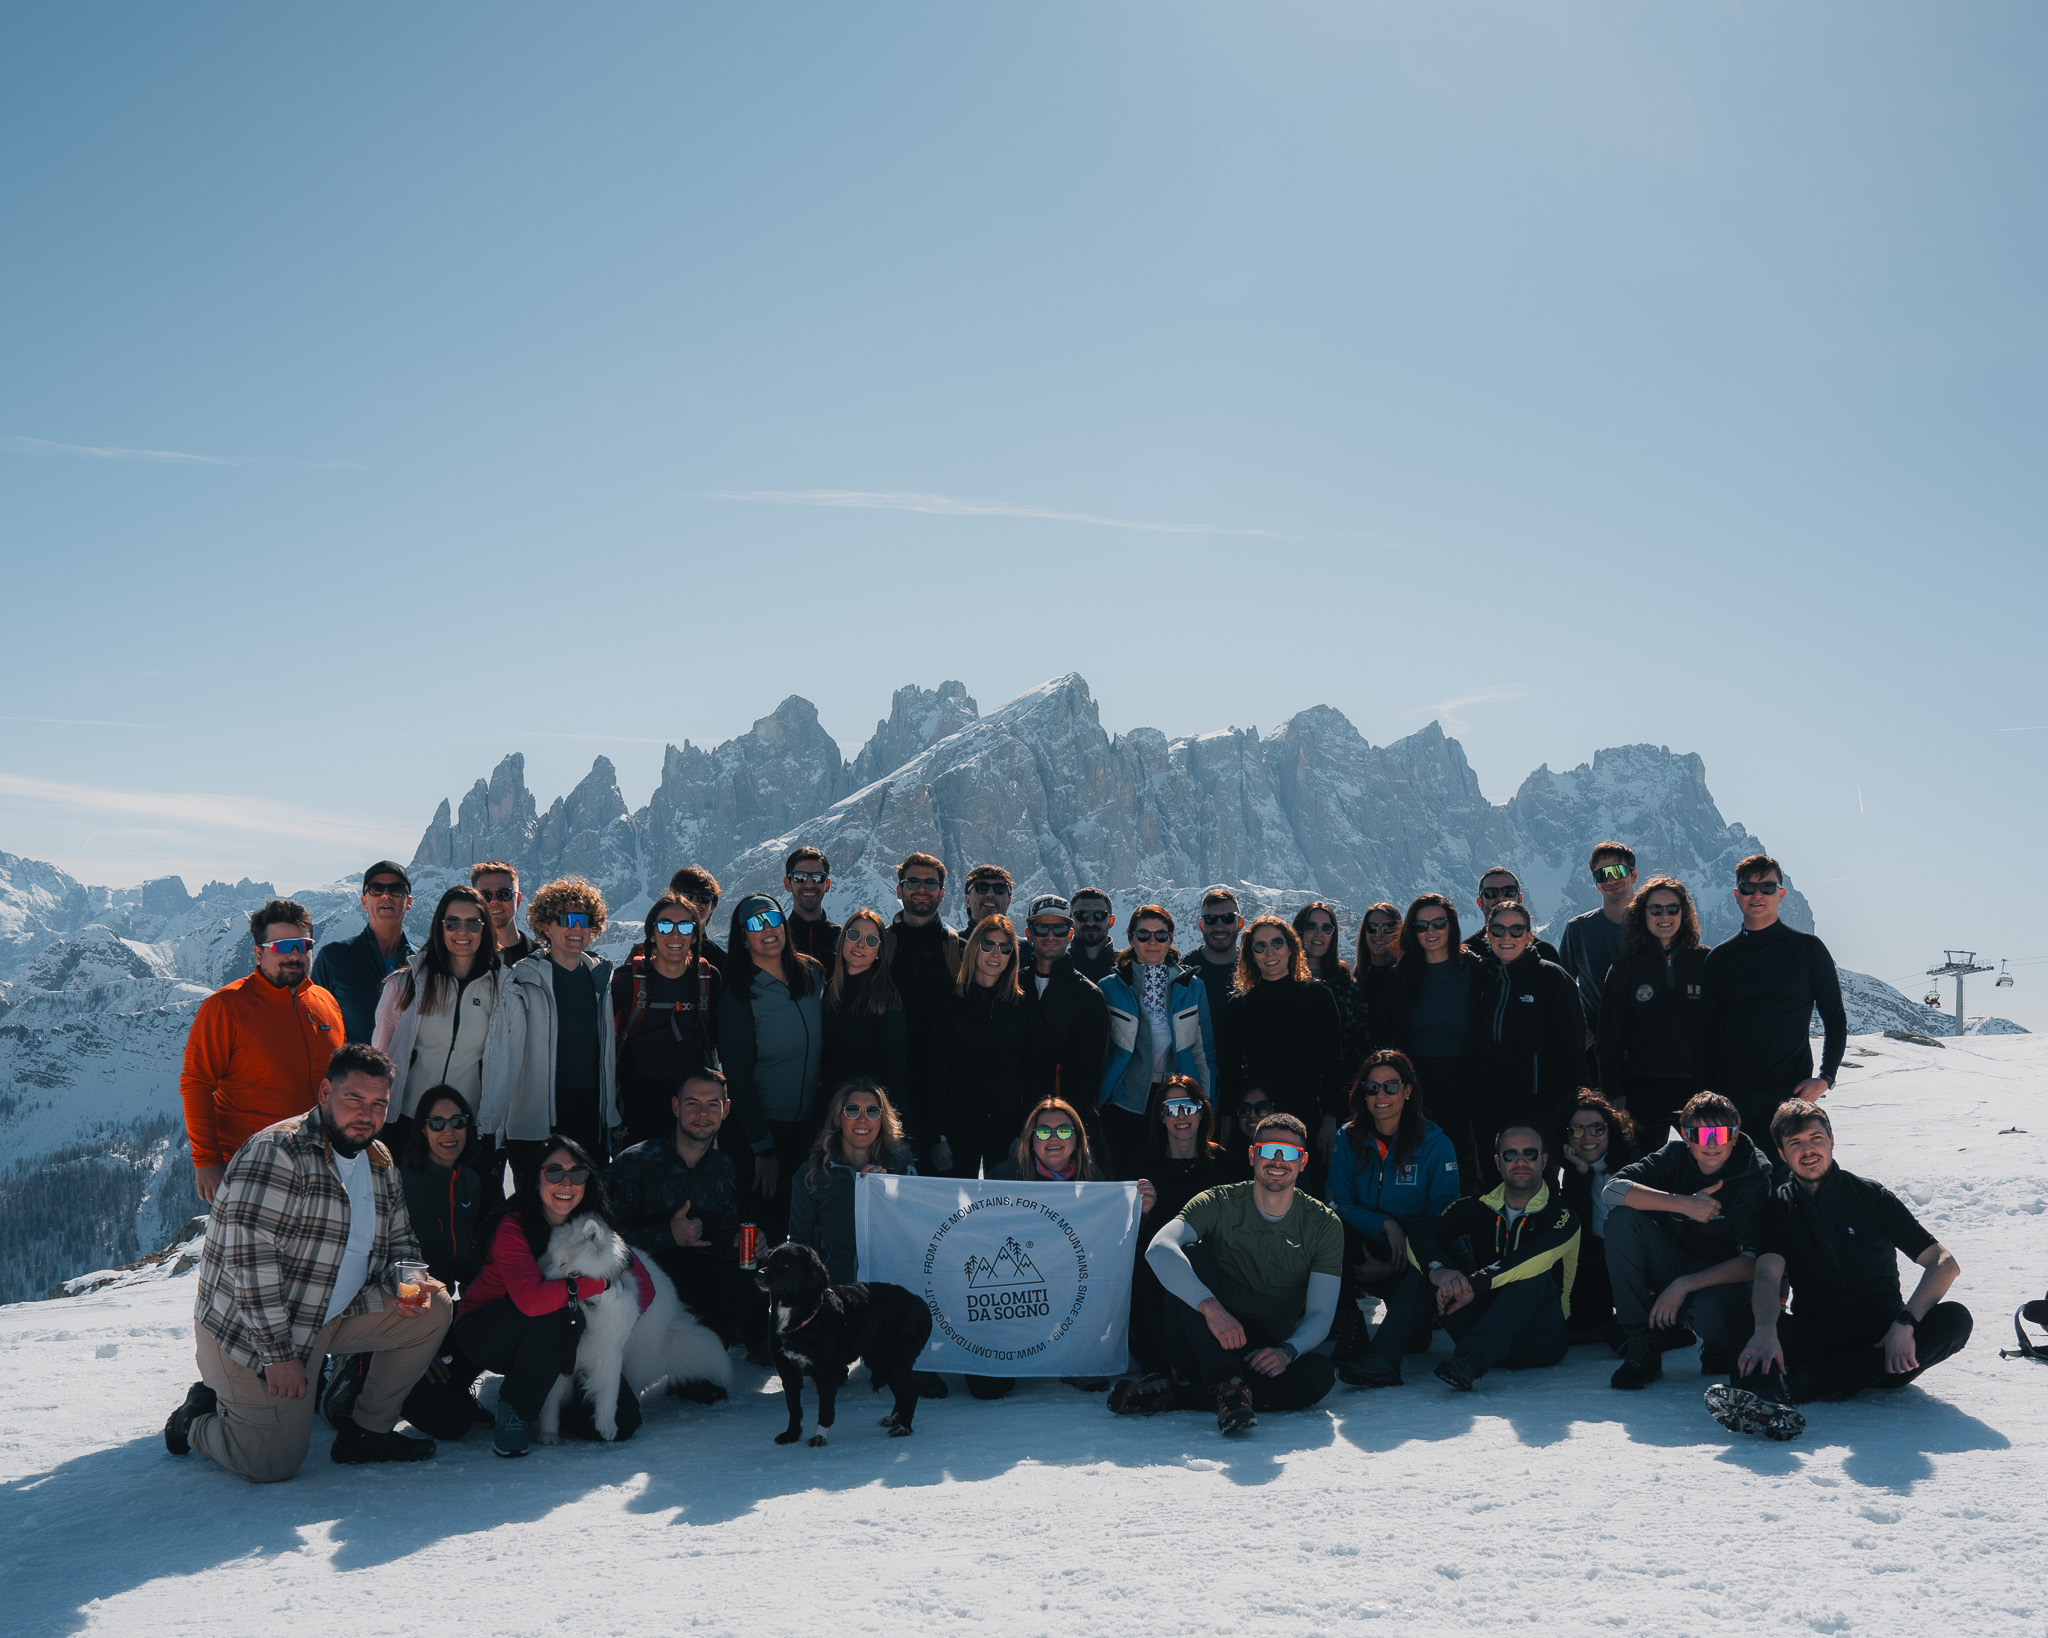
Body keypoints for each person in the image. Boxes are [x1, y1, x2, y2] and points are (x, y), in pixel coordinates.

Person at [163, 1044, 449, 1479]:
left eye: (379, 1104)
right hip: (253, 1334)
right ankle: (197, 1420)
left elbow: (401, 1239)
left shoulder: (378, 1159)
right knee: (272, 1461)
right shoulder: (279, 1152)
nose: (366, 1114)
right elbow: (250, 1265)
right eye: (354, 1098)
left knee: (434, 1308)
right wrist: (278, 1356)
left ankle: (367, 1433)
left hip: (331, 1314)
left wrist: (408, 1283)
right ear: (324, 1092)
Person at [1711, 1101, 1972, 1439]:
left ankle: (1798, 1385)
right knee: (1742, 1316)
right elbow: (1767, 1274)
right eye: (1795, 1144)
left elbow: (1943, 1263)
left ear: (1832, 1140)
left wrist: (1904, 1323)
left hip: (1884, 1346)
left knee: (1955, 1319)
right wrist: (1765, 1330)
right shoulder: (1780, 1207)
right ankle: (1766, 1401)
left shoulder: (1870, 1196)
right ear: (1781, 1153)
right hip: (1817, 1335)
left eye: (1815, 1138)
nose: (1808, 1150)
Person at [1132, 1113, 1342, 1431]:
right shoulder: (1217, 1201)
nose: (1279, 1161)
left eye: (1290, 1153)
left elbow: (1321, 1313)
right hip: (1201, 1337)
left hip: (1260, 1348)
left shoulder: (1324, 1224)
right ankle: (1227, 1385)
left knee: (1319, 1374)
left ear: (1304, 1161)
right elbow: (1158, 1248)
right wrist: (1211, 1308)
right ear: (1252, 1154)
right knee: (1192, 1253)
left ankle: (1184, 1397)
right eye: (1269, 1150)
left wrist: (1286, 1352)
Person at [1341, 1124, 1579, 1392]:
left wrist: (1473, 1284)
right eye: (1511, 1154)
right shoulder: (1478, 1206)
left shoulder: (1562, 1215)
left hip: (1540, 1342)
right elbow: (1421, 1234)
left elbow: (1532, 1258)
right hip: (1477, 1330)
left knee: (1535, 1276)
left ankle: (1469, 1360)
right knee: (1431, 1265)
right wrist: (1437, 1270)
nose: (1520, 1161)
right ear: (1498, 1163)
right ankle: (1382, 1359)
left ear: (1544, 1160)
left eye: (1530, 1154)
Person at [455, 1136, 649, 1457]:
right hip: (487, 1330)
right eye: (554, 1172)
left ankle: (545, 1394)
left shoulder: (590, 1224)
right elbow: (531, 1301)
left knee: (623, 1422)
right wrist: (597, 1285)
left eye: (577, 1174)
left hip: (558, 1343)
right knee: (554, 1311)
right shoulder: (512, 1227)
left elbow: (636, 1278)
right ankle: (516, 1407)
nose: (566, 1183)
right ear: (534, 1178)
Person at [179, 899, 347, 1205]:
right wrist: (206, 1161)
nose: (294, 954)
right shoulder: (226, 1006)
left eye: (302, 944)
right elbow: (196, 1083)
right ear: (258, 952)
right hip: (253, 1166)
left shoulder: (326, 1002)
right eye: (281, 946)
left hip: (323, 1163)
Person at [1602, 1091, 1772, 1388]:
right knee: (1622, 1221)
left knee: (1708, 1312)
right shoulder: (1673, 1156)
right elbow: (1612, 1191)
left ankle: (1719, 1343)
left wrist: (1684, 1284)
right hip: (1677, 1259)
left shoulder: (1752, 1175)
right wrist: (1683, 1204)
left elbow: (1752, 1261)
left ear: (1735, 1135)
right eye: (1700, 1134)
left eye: (1720, 1133)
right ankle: (1642, 1343)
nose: (1710, 1143)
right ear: (1686, 1136)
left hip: (1725, 1279)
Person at [479, 877, 620, 1187]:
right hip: (536, 1119)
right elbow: (502, 1053)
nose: (576, 928)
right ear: (546, 926)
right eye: (566, 919)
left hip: (590, 1115)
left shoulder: (601, 981)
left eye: (584, 920)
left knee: (586, 1212)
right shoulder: (521, 980)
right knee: (535, 1213)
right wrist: (495, 1126)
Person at [1326, 1051, 1460, 1370]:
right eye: (1371, 1088)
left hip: (1418, 1255)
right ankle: (1351, 1325)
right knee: (1327, 1226)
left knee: (1417, 1344)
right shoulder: (1347, 1138)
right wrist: (1383, 1223)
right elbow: (1336, 1202)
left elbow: (1444, 1219)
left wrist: (1395, 1264)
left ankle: (1412, 1318)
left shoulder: (1436, 1143)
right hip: (1368, 1243)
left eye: (1391, 1086)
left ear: (1408, 1090)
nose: (1380, 1095)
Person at [1701, 855, 1847, 1142]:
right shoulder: (1718, 958)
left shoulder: (1808, 950)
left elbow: (1835, 1017)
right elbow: (1704, 1033)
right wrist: (1705, 1096)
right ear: (1736, 895)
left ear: (1781, 894)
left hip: (1789, 1097)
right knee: (1731, 1184)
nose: (1757, 895)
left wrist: (1826, 1077)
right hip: (1729, 1100)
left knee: (1785, 1182)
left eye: (1767, 888)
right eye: (1748, 888)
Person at [607, 1068, 751, 1346]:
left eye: (712, 1105)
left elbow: (724, 1236)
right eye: (692, 1103)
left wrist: (740, 1244)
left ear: (725, 1110)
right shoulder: (636, 1162)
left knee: (748, 1272)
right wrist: (668, 1234)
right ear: (675, 1106)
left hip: (698, 1284)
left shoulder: (724, 1167)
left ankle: (703, 1362)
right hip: (642, 1283)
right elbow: (605, 1240)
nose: (702, 1113)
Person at [717, 893, 825, 1244]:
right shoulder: (739, 994)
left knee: (800, 1225)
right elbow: (738, 1074)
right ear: (742, 936)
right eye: (754, 923)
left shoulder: (810, 972)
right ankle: (748, 1296)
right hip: (760, 1132)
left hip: (806, 1128)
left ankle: (791, 1299)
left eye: (773, 919)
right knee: (758, 1228)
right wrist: (762, 1148)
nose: (767, 929)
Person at [1464, 901, 1587, 1187]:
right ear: (1487, 933)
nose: (1507, 937)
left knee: (1538, 1186)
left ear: (1529, 936)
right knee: (1492, 1186)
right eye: (1499, 929)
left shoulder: (1552, 978)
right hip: (1486, 1111)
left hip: (1539, 1112)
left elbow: (1572, 1052)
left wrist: (1569, 1110)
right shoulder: (1481, 978)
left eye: (1517, 929)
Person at [372, 884, 501, 1153]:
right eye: (452, 922)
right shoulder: (406, 984)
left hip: (464, 1126)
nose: (462, 932)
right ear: (440, 927)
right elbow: (379, 1055)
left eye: (472, 924)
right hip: (408, 1122)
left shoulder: (500, 991)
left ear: (484, 928)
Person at [394, 1087, 491, 1440]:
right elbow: (401, 1265)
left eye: (458, 1122)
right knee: (451, 1424)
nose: (449, 1132)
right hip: (401, 1322)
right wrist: (416, 1345)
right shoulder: (405, 1182)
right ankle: (361, 1376)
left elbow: (458, 1255)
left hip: (440, 1315)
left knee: (503, 1312)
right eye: (437, 1123)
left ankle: (454, 1386)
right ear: (422, 1129)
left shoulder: (469, 1182)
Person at [1121, 1078, 1229, 1380]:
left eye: (1189, 1107)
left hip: (1212, 1272)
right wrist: (1141, 1212)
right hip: (1152, 1280)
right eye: (1171, 1108)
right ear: (1161, 1115)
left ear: (1202, 1111)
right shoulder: (1140, 1163)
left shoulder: (1224, 1163)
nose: (1181, 1116)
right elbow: (1121, 1236)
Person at [1097, 905, 1217, 1173]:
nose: (1152, 942)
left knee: (1173, 1172)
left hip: (1178, 1099)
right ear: (1130, 938)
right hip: (1126, 1099)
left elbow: (1202, 1050)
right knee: (1126, 1174)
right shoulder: (1109, 987)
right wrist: (1102, 1096)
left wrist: (1207, 1101)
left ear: (1171, 939)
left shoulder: (1192, 986)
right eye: (1144, 935)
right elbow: (1102, 1050)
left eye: (1160, 935)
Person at [1217, 916, 1343, 1168]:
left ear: (1291, 947)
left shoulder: (1318, 997)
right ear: (1250, 955)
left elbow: (1334, 1062)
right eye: (1260, 946)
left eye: (1277, 942)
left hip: (1307, 1114)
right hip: (1257, 1118)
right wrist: (1227, 1118)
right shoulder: (1240, 1006)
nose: (1269, 952)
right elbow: (1229, 1070)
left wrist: (1331, 1117)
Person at [1596, 878, 1710, 1149]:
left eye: (1672, 909)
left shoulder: (1706, 962)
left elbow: (1723, 1028)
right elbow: (1609, 1036)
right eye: (1655, 909)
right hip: (1642, 1092)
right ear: (1642, 914)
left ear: (1684, 913)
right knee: (1641, 1167)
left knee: (1709, 1159)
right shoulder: (1626, 969)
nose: (1664, 916)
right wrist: (1614, 1094)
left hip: (1699, 1091)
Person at [1388, 894, 1489, 1192]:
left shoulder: (1476, 970)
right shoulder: (1402, 975)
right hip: (1418, 1083)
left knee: (1465, 1158)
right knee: (1419, 1158)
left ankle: (1467, 1226)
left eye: (1438, 923)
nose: (1430, 931)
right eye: (1421, 925)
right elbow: (1393, 1035)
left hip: (1468, 1079)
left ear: (1451, 925)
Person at [610, 893, 720, 1151]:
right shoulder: (627, 981)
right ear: (651, 934)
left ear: (695, 936)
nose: (675, 934)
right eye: (664, 926)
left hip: (692, 1108)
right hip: (636, 1107)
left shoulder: (708, 979)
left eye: (684, 926)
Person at [931, 915, 1037, 1178]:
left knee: (1003, 1211)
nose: (996, 954)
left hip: (1007, 1129)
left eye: (1005, 948)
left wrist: (1024, 1131)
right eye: (988, 945)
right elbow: (936, 1073)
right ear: (974, 948)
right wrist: (939, 1135)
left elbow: (1034, 1072)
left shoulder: (1023, 1007)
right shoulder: (950, 1006)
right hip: (960, 1127)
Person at [788, 1076, 916, 1284]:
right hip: (834, 1291)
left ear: (882, 1120)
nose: (862, 1119)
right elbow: (799, 1244)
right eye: (852, 1110)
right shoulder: (812, 1173)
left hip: (888, 1291)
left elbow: (917, 1229)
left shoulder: (900, 1165)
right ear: (838, 1118)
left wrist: (887, 1192)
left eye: (872, 1111)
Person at [889, 851, 967, 1160]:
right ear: (899, 890)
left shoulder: (958, 949)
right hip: (892, 1087)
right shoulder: (881, 946)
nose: (922, 889)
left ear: (942, 893)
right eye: (913, 881)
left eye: (930, 883)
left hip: (946, 1091)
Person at [1549, 1089, 1637, 1347]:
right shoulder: (1576, 1174)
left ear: (1611, 1130)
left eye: (1597, 1128)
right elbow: (1580, 1232)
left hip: (1639, 1268)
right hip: (1600, 1266)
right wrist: (1581, 1171)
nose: (1588, 1137)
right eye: (1577, 1130)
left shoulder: (1635, 1165)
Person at [1015, 892, 1110, 1123]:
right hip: (1011, 1116)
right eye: (1041, 929)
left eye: (1059, 930)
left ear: (1069, 935)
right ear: (1029, 935)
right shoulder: (1012, 986)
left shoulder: (1088, 995)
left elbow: (1088, 1071)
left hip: (1062, 1122)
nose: (1050, 936)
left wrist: (1067, 1121)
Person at [312, 861, 415, 1047]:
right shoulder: (333, 958)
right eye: (376, 889)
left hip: (409, 1076)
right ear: (363, 902)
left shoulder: (422, 965)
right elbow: (312, 1024)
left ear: (408, 902)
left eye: (396, 889)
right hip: (349, 1074)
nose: (386, 895)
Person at [819, 907, 909, 1120]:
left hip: (867, 1113)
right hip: (831, 1106)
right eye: (854, 935)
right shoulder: (831, 990)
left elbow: (894, 1074)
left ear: (879, 951)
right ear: (842, 940)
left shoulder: (885, 999)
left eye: (871, 941)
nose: (860, 944)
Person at [1557, 843, 1638, 1077]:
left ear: (1633, 875)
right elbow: (1562, 989)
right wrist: (1585, 1039)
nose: (1611, 879)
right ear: (1596, 883)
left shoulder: (1656, 924)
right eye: (1603, 874)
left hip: (1649, 1048)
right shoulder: (1578, 929)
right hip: (1596, 1052)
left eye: (1618, 871)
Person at [1294, 901, 1372, 1081]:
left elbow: (1359, 1046)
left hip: (1337, 1087)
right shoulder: (1283, 981)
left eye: (1327, 928)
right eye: (1311, 926)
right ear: (1299, 931)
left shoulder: (1348, 987)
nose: (1319, 934)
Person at [1461, 867, 1561, 964]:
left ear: (1520, 898)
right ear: (1480, 903)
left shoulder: (1545, 952)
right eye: (1491, 893)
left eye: (1509, 891)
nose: (1501, 898)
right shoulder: (1464, 953)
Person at [1186, 886, 1244, 1024]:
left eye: (1228, 918)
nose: (1219, 927)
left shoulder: (1255, 968)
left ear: (1240, 923)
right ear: (1201, 924)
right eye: (1210, 919)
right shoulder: (1185, 971)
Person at [1351, 900, 1403, 1050]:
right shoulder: (1353, 982)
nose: (1379, 934)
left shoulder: (1408, 979)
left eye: (1388, 928)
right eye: (1372, 928)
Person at [783, 847, 840, 977]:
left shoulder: (843, 939)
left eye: (818, 878)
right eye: (800, 877)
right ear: (788, 884)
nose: (809, 884)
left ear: (827, 884)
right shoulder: (779, 938)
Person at [472, 861, 536, 968]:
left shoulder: (544, 959)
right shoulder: (466, 961)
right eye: (485, 896)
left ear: (518, 900)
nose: (494, 901)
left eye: (504, 894)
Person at [670, 865, 726, 976]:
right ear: (671, 900)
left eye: (703, 898)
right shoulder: (646, 954)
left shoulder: (723, 963)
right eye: (687, 896)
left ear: (713, 906)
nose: (695, 902)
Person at [1069, 886, 1117, 983]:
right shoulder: (1056, 966)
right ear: (1071, 921)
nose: (1090, 923)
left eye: (1099, 915)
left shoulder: (1127, 967)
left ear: (1111, 921)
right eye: (1082, 915)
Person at [962, 864, 1014, 930]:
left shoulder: (1019, 941)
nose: (990, 894)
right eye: (981, 888)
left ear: (1009, 901)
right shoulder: (953, 940)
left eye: (999, 889)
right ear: (968, 900)